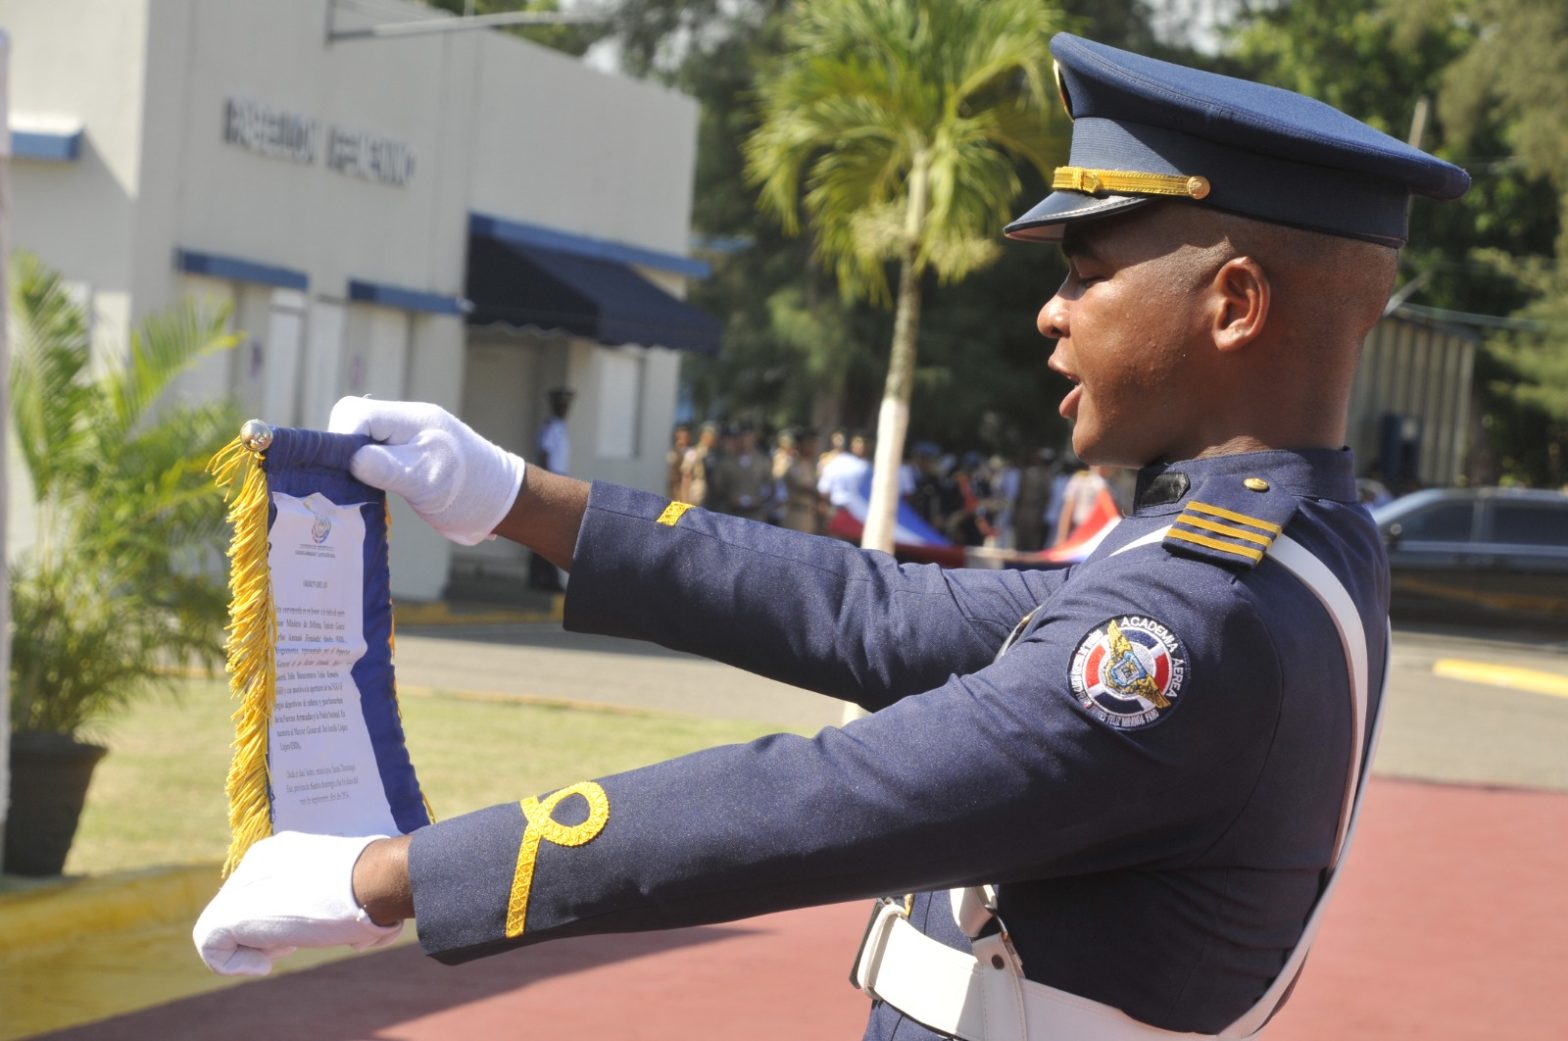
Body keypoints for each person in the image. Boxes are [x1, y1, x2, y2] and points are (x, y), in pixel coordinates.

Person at [194, 33, 1470, 1041]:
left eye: (1085, 274)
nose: (1050, 314)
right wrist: (516, 497)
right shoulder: (1260, 546)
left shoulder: (1196, 619)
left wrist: (388, 877)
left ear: (1233, 306)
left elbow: (826, 800)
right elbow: (878, 615)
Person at [529, 386, 573, 591]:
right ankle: (544, 578)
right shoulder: (550, 427)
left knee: (548, 532)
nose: (564, 408)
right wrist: (548, 485)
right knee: (547, 533)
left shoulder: (560, 427)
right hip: (551, 482)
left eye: (566, 405)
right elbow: (544, 455)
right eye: (561, 405)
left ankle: (545, 577)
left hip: (559, 480)